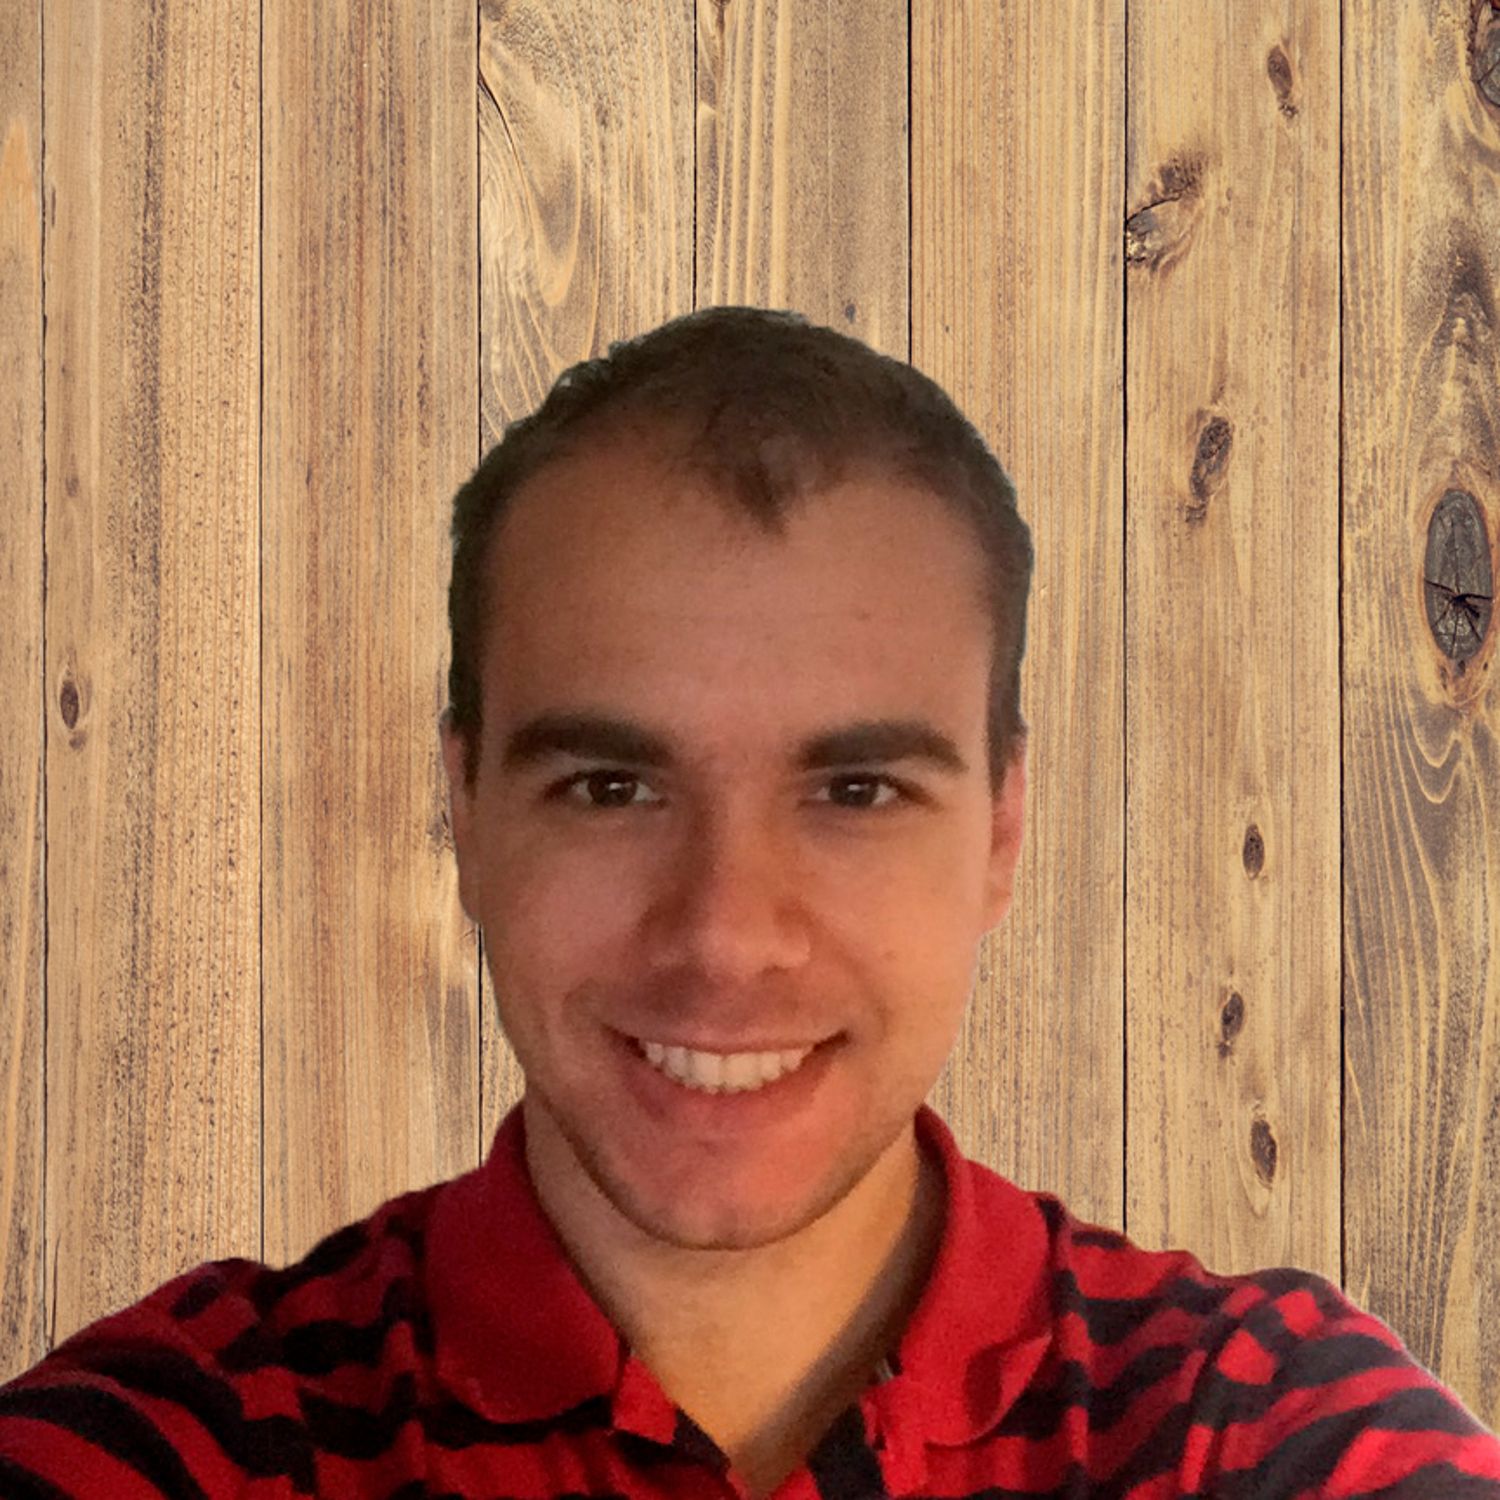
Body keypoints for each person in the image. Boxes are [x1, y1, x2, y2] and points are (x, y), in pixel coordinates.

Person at [1, 305, 1496, 1500]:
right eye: (611, 788)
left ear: (1002, 827)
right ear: (466, 811)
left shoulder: (1271, 1440)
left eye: (855, 792)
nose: (723, 935)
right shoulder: (161, 1452)